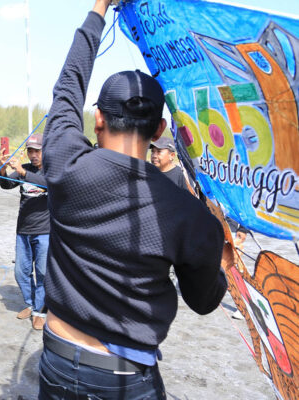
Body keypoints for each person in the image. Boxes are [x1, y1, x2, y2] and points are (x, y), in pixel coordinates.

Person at [37, 2, 230, 398]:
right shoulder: (187, 214)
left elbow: (68, 87)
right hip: (123, 379)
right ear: (160, 128)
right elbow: (203, 300)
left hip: (56, 358)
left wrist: (99, 9)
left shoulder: (64, 163)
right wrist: (222, 258)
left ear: (98, 119)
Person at [0, 134, 49, 330]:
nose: (34, 155)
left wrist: (22, 172)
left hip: (45, 231)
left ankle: (40, 312)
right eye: (30, 151)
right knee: (21, 272)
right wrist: (2, 166)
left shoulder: (52, 170)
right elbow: (5, 184)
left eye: (37, 151)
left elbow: (47, 184)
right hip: (23, 230)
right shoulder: (25, 169)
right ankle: (31, 303)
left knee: (43, 273)